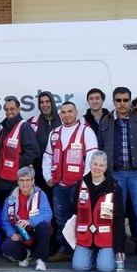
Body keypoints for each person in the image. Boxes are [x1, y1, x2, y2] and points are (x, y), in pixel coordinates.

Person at [42, 101, 98, 262]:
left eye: (70, 111)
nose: (66, 115)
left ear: (76, 112)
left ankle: (82, 249)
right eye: (63, 112)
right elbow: (47, 157)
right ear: (60, 114)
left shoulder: (86, 131)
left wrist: (85, 181)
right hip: (59, 184)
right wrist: (47, 177)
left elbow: (92, 158)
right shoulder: (55, 133)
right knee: (60, 218)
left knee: (81, 217)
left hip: (78, 184)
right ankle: (64, 249)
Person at [97, 87, 137, 237]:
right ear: (114, 101)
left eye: (125, 100)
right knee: (116, 213)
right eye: (118, 100)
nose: (122, 103)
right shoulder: (106, 120)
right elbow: (100, 147)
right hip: (115, 174)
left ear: (130, 100)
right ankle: (118, 249)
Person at [71, 151, 126, 272]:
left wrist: (119, 249)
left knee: (105, 268)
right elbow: (74, 211)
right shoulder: (80, 185)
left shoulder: (115, 188)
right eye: (95, 164)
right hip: (85, 237)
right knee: (79, 267)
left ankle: (102, 255)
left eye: (101, 165)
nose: (97, 168)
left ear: (105, 168)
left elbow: (119, 220)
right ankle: (90, 255)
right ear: (90, 165)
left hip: (105, 238)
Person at [0, 167, 52, 271]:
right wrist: (11, 233)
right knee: (6, 246)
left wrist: (30, 221)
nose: (25, 183)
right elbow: (5, 221)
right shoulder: (10, 199)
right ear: (17, 181)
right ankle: (24, 256)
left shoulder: (41, 195)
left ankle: (41, 260)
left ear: (33, 181)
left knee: (44, 227)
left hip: (36, 232)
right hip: (20, 234)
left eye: (28, 180)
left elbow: (47, 214)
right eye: (22, 180)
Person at [0, 96, 40, 203]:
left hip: (16, 178)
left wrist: (17, 163)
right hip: (3, 177)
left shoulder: (24, 127)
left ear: (19, 109)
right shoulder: (5, 127)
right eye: (6, 109)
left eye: (12, 109)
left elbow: (34, 152)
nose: (9, 112)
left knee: (14, 208)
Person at [27, 91, 61, 195]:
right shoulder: (32, 122)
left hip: (60, 171)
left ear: (52, 103)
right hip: (39, 172)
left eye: (47, 101)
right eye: (41, 102)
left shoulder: (62, 120)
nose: (44, 105)